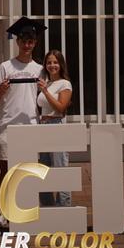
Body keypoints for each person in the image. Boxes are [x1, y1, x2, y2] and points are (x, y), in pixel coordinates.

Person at [0, 16, 47, 227]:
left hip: (31, 125)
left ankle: (26, 208)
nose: (27, 44)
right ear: (17, 41)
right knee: (4, 170)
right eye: (23, 40)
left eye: (30, 41)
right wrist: (2, 90)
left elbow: (44, 100)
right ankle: (1, 211)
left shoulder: (39, 69)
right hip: (8, 125)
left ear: (35, 43)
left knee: (29, 171)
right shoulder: (6, 67)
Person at [36, 49, 73, 207]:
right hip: (43, 126)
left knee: (60, 168)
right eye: (49, 62)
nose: (52, 65)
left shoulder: (65, 84)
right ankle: (48, 207)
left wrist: (45, 91)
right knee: (43, 169)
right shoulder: (48, 83)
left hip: (56, 125)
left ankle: (64, 207)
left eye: (55, 62)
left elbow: (61, 107)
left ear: (61, 64)